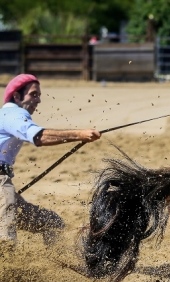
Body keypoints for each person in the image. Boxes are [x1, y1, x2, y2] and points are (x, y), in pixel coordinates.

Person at [0, 74, 101, 252]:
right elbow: (39, 137)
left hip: (4, 182)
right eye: (33, 94)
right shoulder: (13, 113)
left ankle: (56, 265)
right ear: (16, 96)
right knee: (6, 242)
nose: (38, 100)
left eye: (39, 95)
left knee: (52, 222)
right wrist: (80, 135)